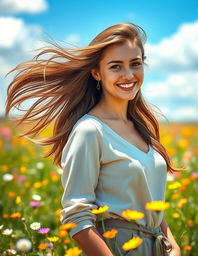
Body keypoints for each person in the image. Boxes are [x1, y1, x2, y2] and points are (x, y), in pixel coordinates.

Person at [5, 22, 182, 256]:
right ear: (97, 73)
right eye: (116, 66)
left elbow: (149, 203)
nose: (129, 75)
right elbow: (76, 217)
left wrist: (173, 244)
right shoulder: (90, 131)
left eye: (135, 64)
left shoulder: (142, 129)